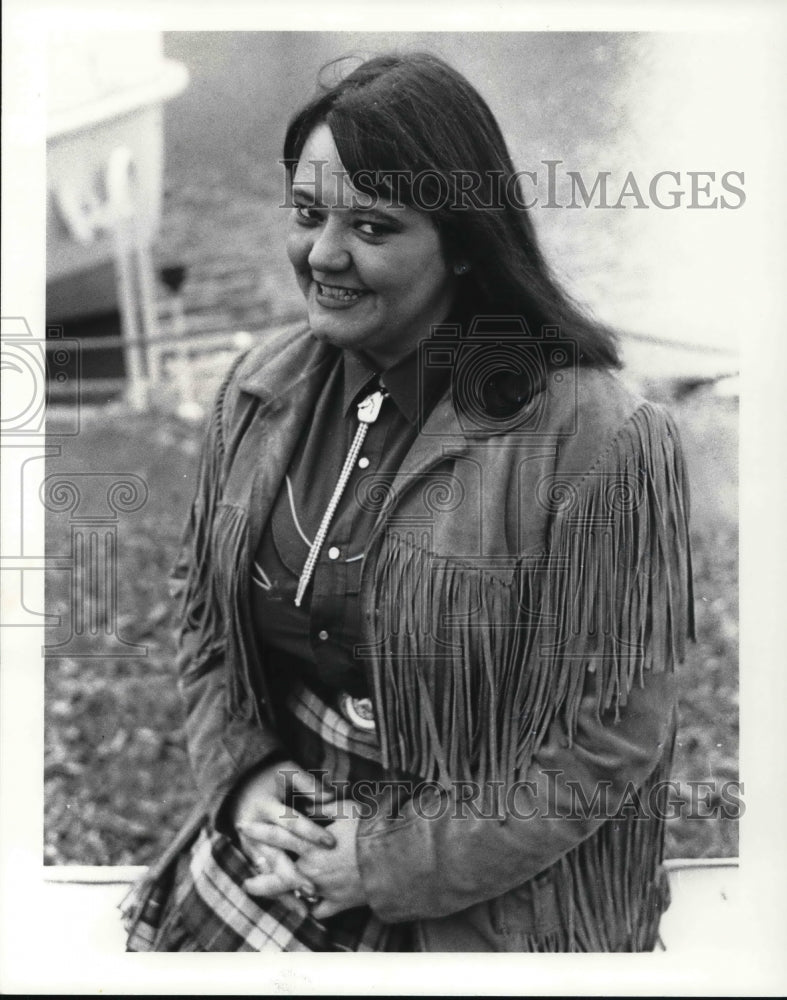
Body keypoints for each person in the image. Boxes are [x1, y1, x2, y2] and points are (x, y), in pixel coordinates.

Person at [122, 51, 694, 952]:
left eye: (373, 226)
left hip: (500, 889)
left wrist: (389, 864)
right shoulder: (254, 391)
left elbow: (609, 736)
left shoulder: (599, 437)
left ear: (466, 242)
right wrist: (245, 773)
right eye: (308, 215)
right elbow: (203, 618)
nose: (322, 254)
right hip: (295, 835)